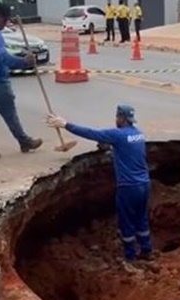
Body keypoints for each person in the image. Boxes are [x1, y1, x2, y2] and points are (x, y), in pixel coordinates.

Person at [46, 104, 152, 264]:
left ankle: (130, 257)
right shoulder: (139, 134)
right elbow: (127, 149)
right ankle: (146, 251)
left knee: (126, 221)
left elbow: (91, 133)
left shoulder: (117, 135)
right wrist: (108, 145)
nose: (116, 119)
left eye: (117, 116)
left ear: (121, 118)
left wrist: (65, 124)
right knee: (141, 219)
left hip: (128, 187)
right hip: (144, 184)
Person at [0, 2, 42, 163]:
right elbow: (3, 57)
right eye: (4, 21)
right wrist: (24, 62)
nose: (5, 25)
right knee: (10, 115)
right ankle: (24, 142)